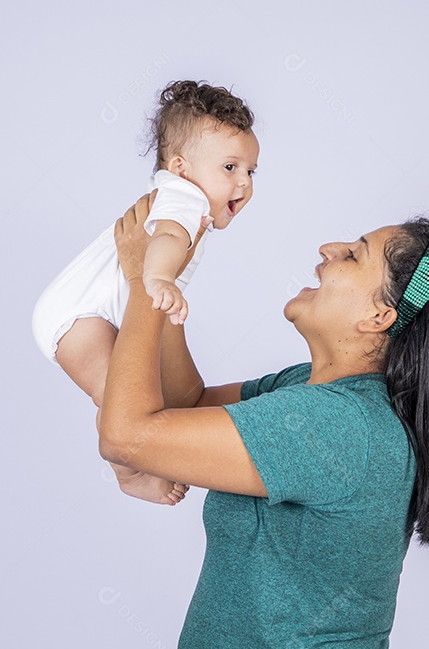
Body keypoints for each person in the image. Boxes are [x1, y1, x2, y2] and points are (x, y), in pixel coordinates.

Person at [97, 195, 429, 649]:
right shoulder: (310, 391)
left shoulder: (337, 426)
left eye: (354, 255)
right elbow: (188, 405)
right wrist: (169, 282)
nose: (328, 249)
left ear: (379, 315)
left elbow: (127, 437)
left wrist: (141, 282)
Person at [31, 80, 259, 506]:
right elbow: (168, 237)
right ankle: (129, 471)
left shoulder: (184, 196)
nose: (244, 183)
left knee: (137, 394)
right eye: (230, 168)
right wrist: (155, 279)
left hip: (86, 312)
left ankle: (136, 463)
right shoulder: (185, 200)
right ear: (181, 167)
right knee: (118, 397)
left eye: (251, 170)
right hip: (79, 315)